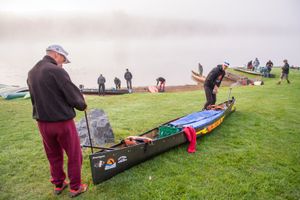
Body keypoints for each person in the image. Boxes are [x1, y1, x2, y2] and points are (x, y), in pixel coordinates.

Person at [27, 44, 88, 197]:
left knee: (53, 154)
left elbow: (34, 99)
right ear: (55, 54)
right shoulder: (57, 71)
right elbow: (72, 94)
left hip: (43, 123)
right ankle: (75, 187)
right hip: (62, 122)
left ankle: (58, 184)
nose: (63, 63)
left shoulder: (32, 72)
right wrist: (82, 104)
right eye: (63, 59)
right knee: (74, 154)